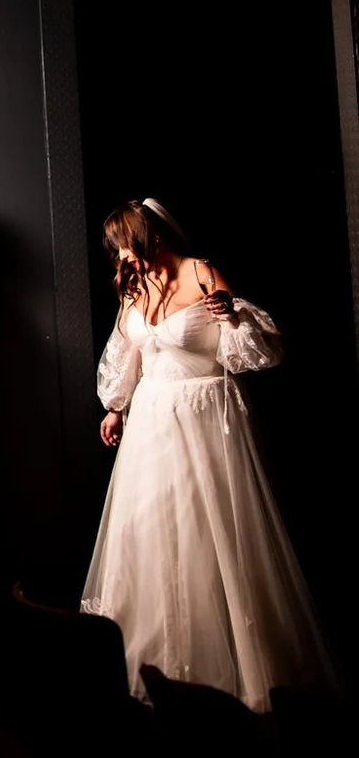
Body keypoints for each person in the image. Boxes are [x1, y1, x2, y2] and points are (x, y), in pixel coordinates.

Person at [79, 197, 338, 714]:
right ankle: (157, 663)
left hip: (204, 416)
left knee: (210, 529)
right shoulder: (134, 284)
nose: (122, 258)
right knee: (153, 528)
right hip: (151, 420)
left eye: (125, 245)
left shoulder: (200, 273)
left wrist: (233, 315)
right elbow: (134, 351)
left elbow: (254, 352)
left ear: (148, 236)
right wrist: (115, 408)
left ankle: (232, 672)